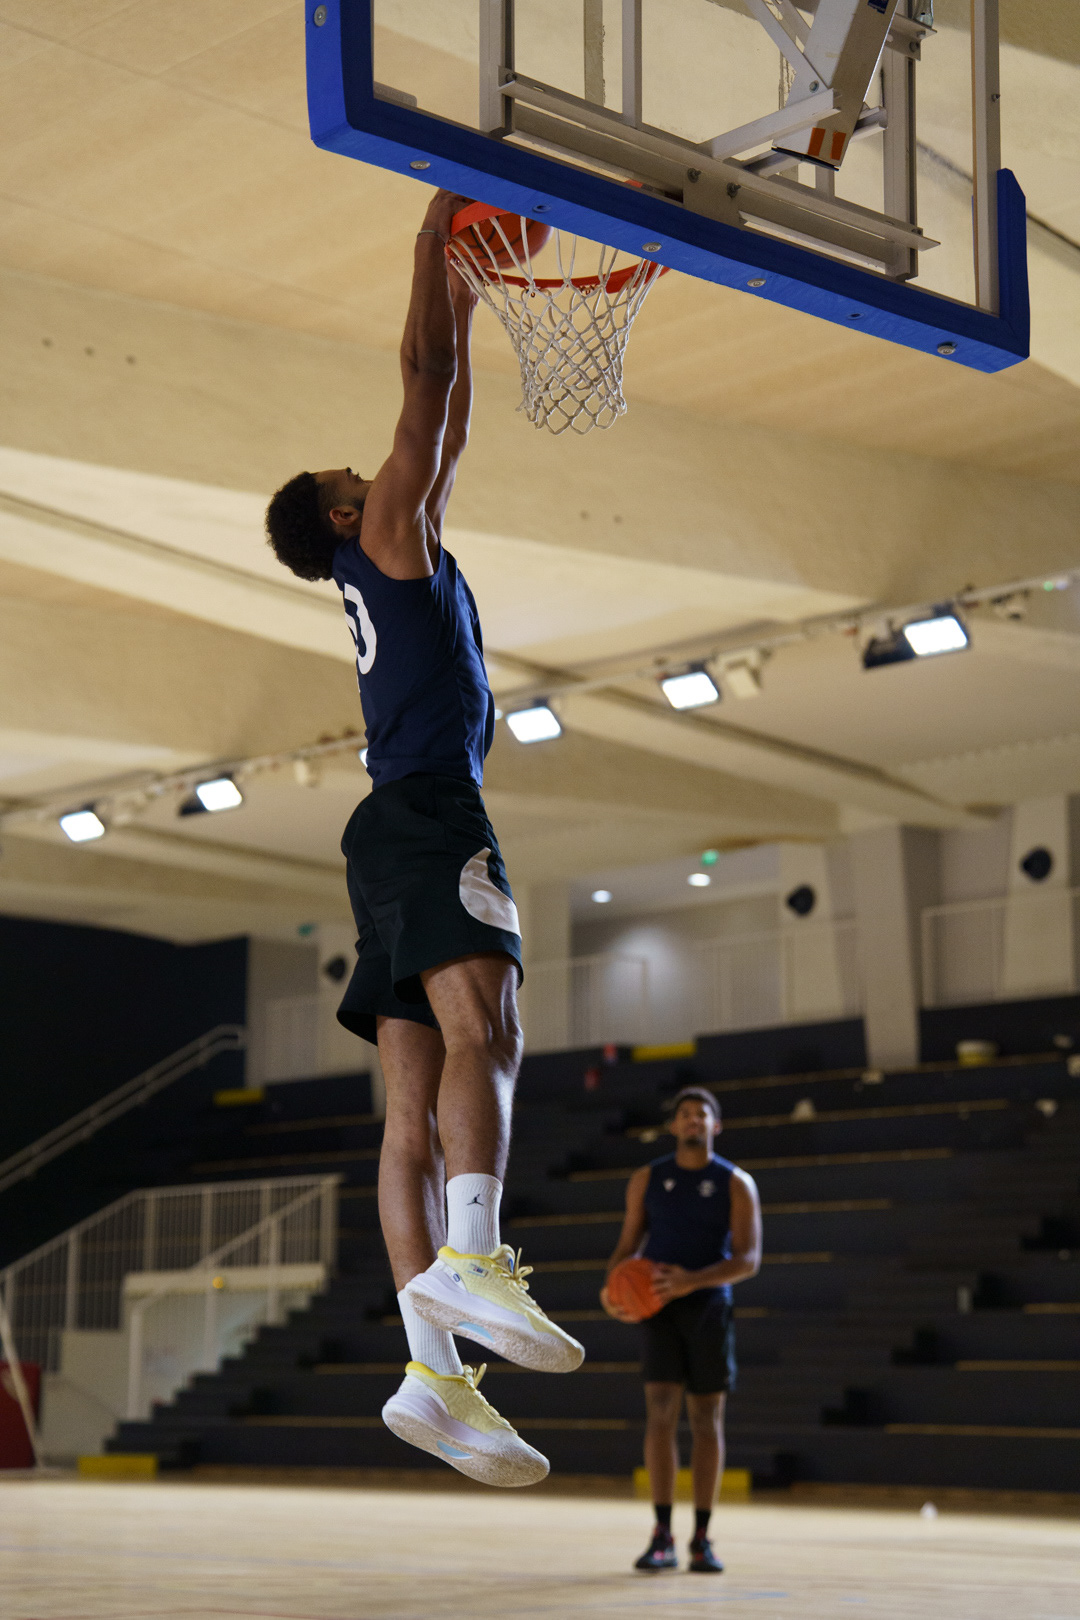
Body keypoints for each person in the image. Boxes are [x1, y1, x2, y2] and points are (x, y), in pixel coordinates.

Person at [264, 188, 583, 1489]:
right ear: (346, 515)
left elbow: (442, 423)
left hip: (383, 833)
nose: (373, 466)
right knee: (487, 1031)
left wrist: (469, 280)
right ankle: (475, 1256)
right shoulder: (387, 540)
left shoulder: (395, 545)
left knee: (407, 1113)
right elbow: (426, 385)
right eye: (353, 477)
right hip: (432, 813)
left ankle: (431, 1377)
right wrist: (433, 245)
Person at [601, 1085, 762, 1573]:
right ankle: (662, 1534)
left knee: (707, 1420)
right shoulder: (647, 1178)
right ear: (673, 1126)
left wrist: (691, 1281)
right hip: (660, 1311)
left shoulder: (736, 1182)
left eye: (702, 1114)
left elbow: (748, 1260)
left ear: (715, 1125)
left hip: (709, 1307)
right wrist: (613, 1289)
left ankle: (703, 1538)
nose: (693, 1120)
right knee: (660, 1415)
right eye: (686, 1114)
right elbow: (627, 1246)